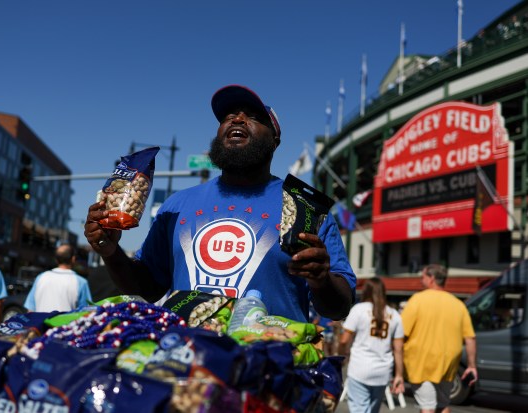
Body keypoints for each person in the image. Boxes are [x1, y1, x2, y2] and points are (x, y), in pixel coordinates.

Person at [84, 84, 356, 322]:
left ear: (275, 141)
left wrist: (321, 281)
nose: (237, 119)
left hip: (270, 371)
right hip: (188, 366)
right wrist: (110, 251)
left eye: (252, 116)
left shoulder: (303, 209)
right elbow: (147, 288)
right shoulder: (177, 204)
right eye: (228, 116)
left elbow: (339, 307)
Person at [401, 264, 478, 413]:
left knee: (427, 407)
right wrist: (471, 365)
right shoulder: (458, 304)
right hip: (448, 366)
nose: (420, 280)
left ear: (432, 279)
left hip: (422, 364)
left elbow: (400, 334)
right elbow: (470, 338)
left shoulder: (417, 300)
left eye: (423, 277)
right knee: (442, 405)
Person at [339, 277, 405, 413]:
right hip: (383, 371)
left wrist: (341, 356)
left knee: (359, 409)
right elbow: (398, 348)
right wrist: (399, 374)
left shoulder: (359, 310)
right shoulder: (394, 314)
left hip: (360, 368)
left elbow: (344, 340)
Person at [23, 244, 93, 312]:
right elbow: (86, 312)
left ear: (56, 259)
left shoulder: (41, 277)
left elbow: (30, 310)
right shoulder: (81, 282)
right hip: (65, 324)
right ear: (73, 259)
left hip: (39, 323)